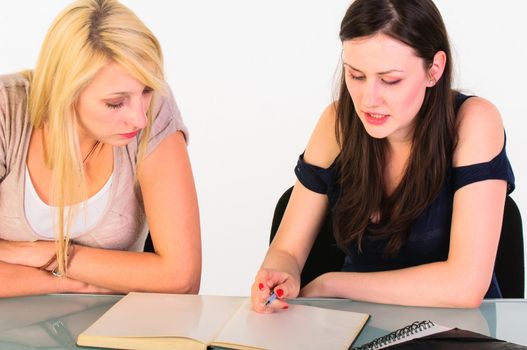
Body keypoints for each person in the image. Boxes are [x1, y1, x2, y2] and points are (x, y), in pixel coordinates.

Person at [251, 0, 515, 311]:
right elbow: (288, 251)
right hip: (355, 326)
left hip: (462, 333)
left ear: (434, 69)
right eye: (356, 76)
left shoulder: (474, 121)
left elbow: (465, 286)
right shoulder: (337, 123)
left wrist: (331, 284)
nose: (368, 99)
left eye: (390, 80)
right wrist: (279, 273)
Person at [0, 0, 201, 297]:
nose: (139, 117)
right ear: (64, 92)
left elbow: (181, 278)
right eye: (115, 103)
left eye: (146, 90)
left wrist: (51, 256)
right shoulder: (7, 111)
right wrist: (75, 281)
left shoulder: (155, 110)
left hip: (109, 333)